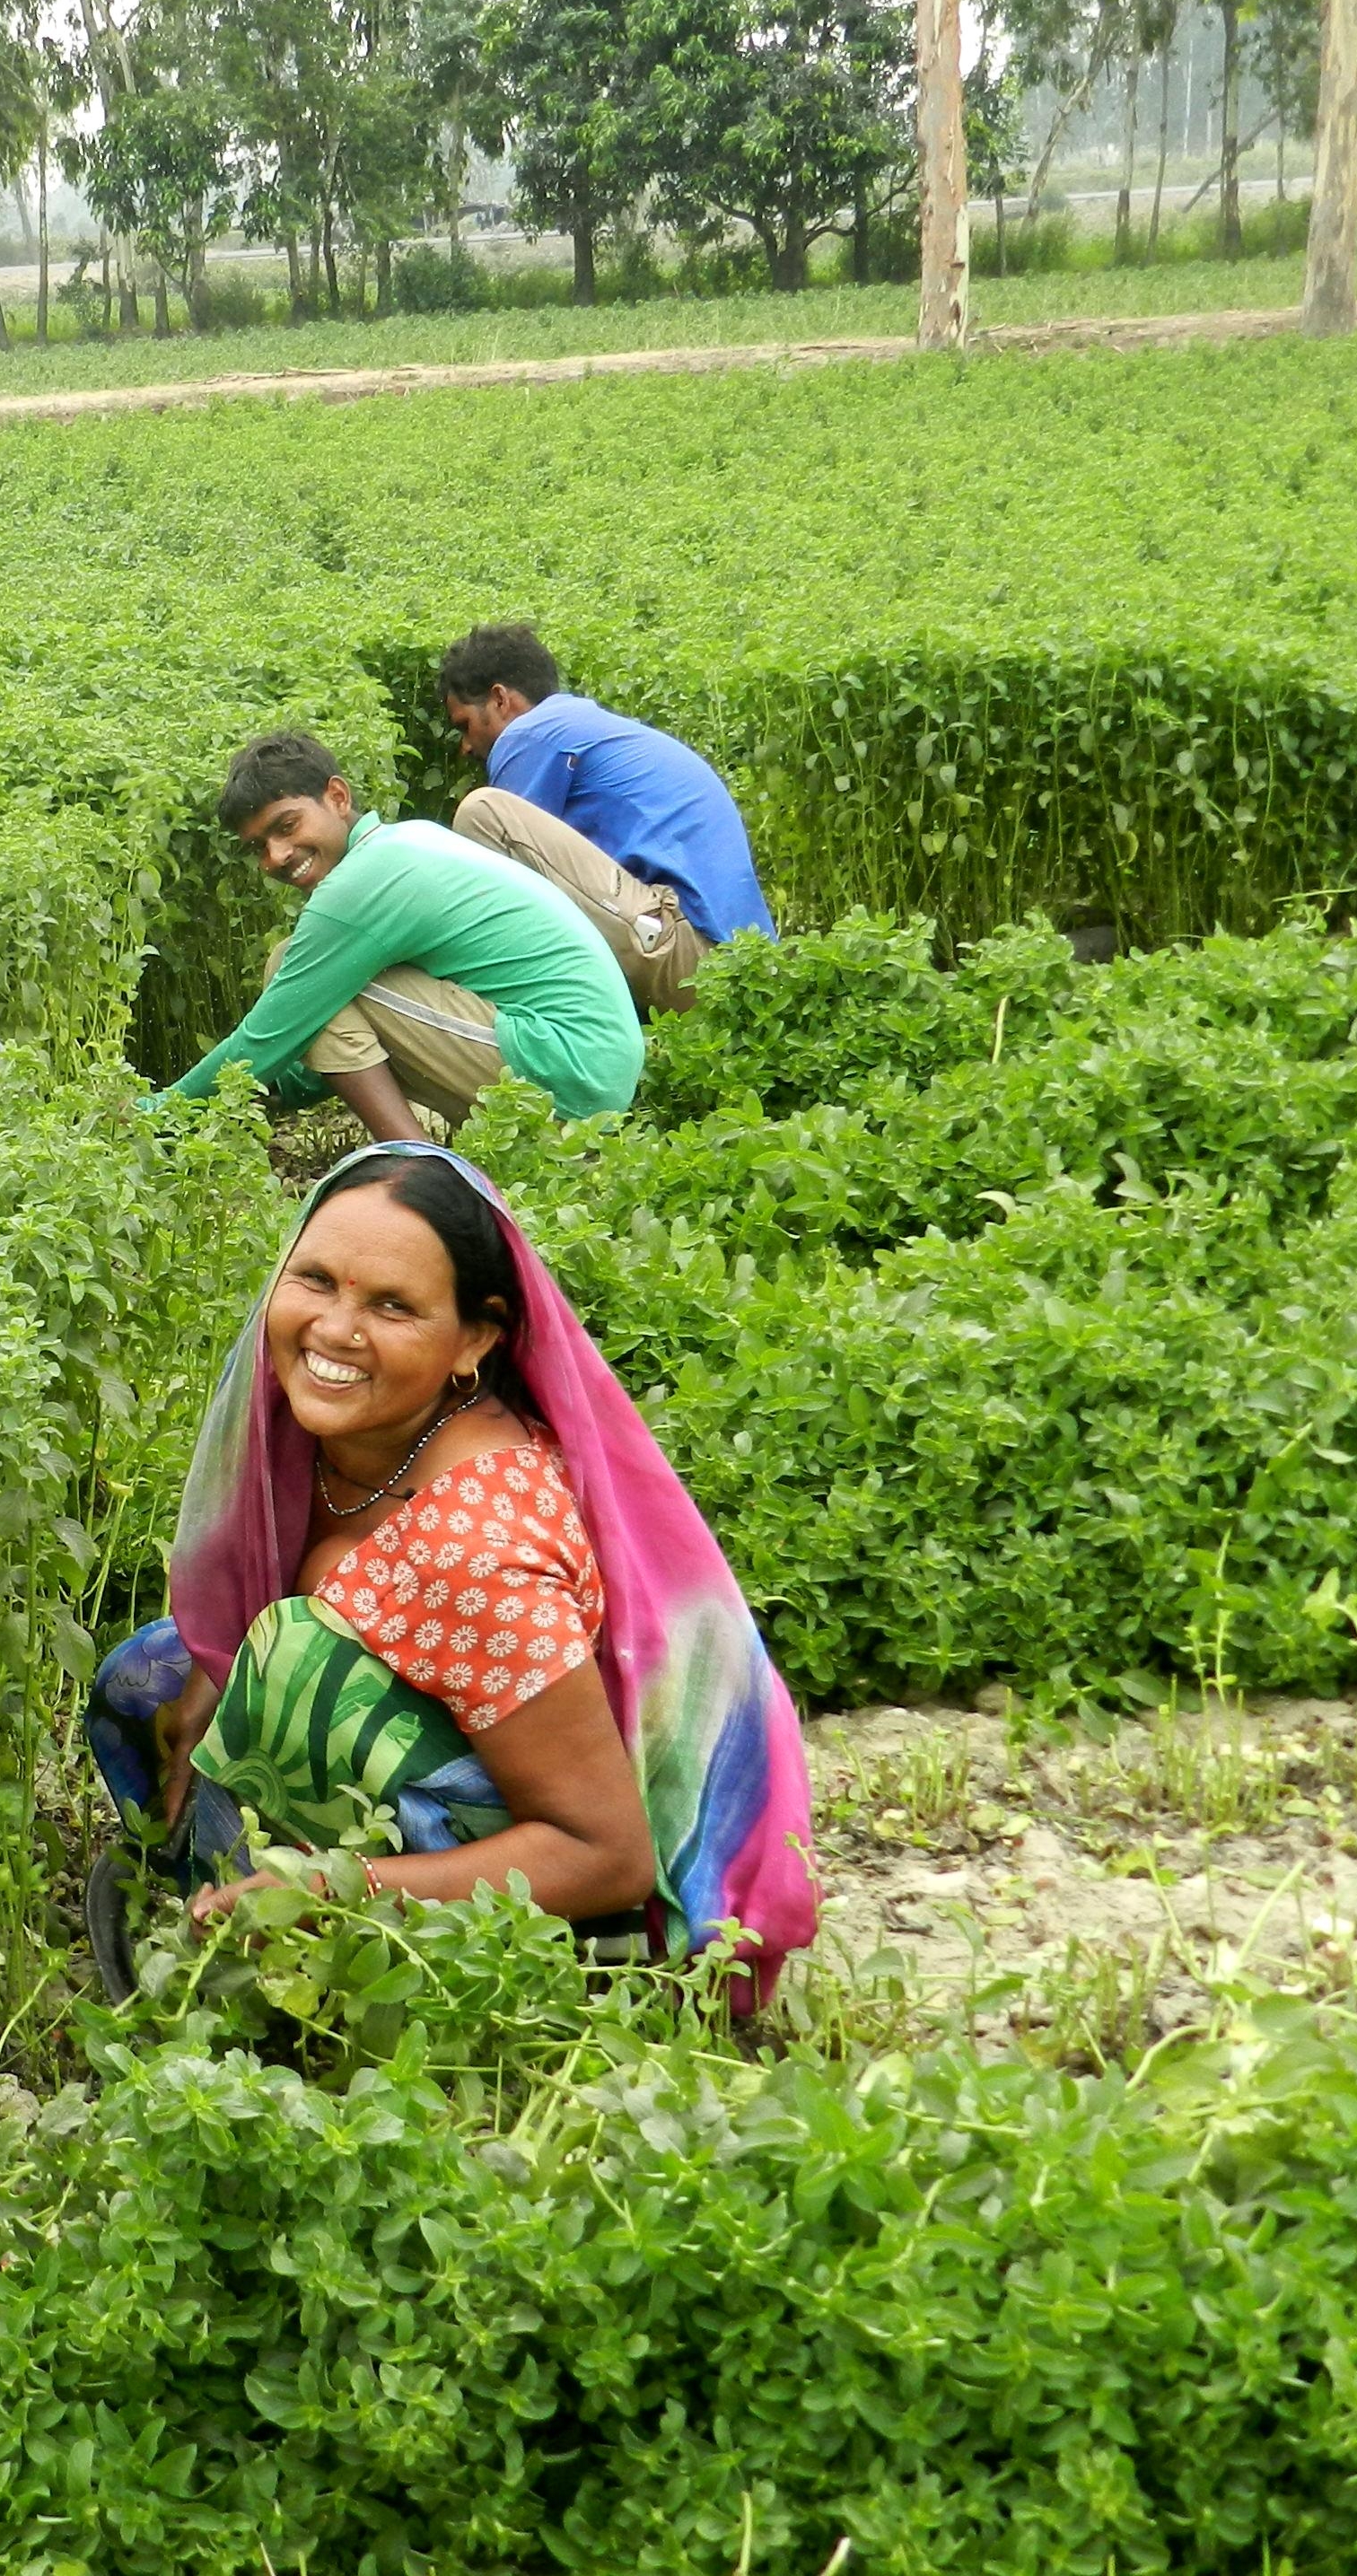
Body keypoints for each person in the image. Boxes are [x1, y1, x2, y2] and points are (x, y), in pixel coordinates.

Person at [81, 1142, 816, 2003]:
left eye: (393, 1305)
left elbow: (606, 1854)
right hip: (450, 1767)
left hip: (570, 1920)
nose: (334, 1331)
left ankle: (317, 1971)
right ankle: (217, 1883)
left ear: (474, 1339)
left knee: (294, 1660)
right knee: (157, 1672)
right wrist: (221, 1676)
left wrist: (326, 1893)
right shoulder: (324, 1436)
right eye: (316, 1280)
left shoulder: (472, 1548)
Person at [163, 732, 641, 1144]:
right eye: (258, 848)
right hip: (593, 1065)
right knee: (321, 988)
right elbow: (339, 1041)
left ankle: (422, 1165)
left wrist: (156, 1114)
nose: (277, 856)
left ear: (337, 797)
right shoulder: (408, 837)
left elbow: (266, 1037)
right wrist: (277, 1088)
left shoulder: (361, 884)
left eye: (286, 826)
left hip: (573, 1073)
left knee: (294, 970)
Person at [435, 623, 777, 1016]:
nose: (465, 745)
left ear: (500, 700)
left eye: (464, 725)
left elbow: (493, 888)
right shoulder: (585, 727)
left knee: (484, 815)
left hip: (692, 953)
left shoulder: (533, 732)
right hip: (742, 969)